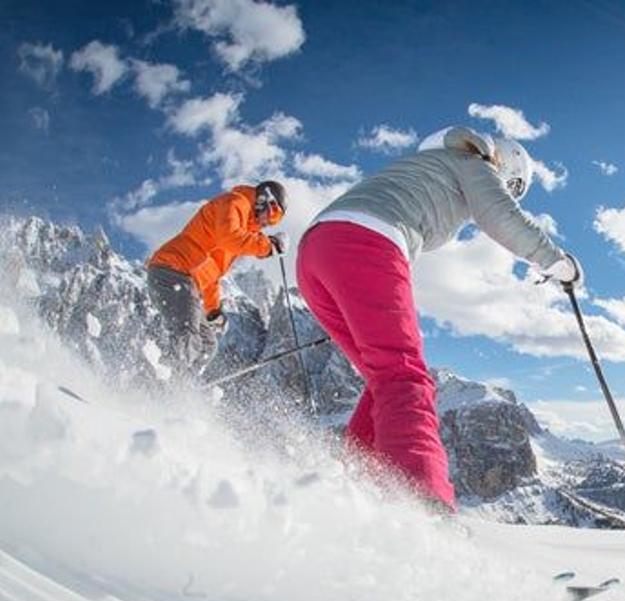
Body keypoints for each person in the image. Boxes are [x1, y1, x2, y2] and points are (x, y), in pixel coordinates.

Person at [297, 127, 582, 511]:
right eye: (511, 187)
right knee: (406, 377)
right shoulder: (472, 162)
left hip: (316, 250)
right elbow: (499, 215)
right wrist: (557, 262)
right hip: (367, 243)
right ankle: (422, 505)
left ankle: (354, 491)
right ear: (507, 168)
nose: (507, 192)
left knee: (382, 380)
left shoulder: (427, 163)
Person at [146, 181, 289, 376]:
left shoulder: (243, 233)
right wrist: (266, 246)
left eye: (276, 220)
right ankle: (155, 385)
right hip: (171, 270)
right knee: (187, 334)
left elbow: (212, 275)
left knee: (207, 344)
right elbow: (229, 237)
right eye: (273, 213)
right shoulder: (235, 202)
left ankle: (181, 387)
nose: (269, 222)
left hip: (187, 281)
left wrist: (213, 311)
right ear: (264, 198)